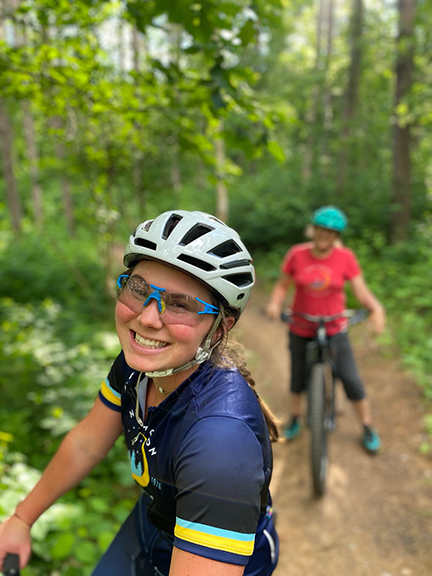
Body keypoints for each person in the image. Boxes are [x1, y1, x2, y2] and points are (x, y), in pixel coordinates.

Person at [0, 210, 280, 576]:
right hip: (151, 525)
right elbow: (87, 441)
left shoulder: (221, 442)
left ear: (219, 328)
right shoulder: (139, 366)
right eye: (139, 289)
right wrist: (21, 519)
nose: (148, 319)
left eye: (180, 304)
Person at [266, 205, 385, 454]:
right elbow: (281, 286)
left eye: (331, 232)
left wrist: (376, 308)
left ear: (336, 236)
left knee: (351, 379)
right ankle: (296, 418)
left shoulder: (346, 258)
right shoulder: (297, 254)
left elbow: (360, 291)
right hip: (300, 324)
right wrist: (275, 304)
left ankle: (367, 426)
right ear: (314, 230)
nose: (325, 235)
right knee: (298, 377)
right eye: (321, 230)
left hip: (334, 327)